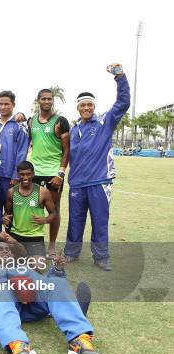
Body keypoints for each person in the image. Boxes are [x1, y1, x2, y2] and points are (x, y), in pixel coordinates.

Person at [0, 239, 101, 354]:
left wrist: (57, 269)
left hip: (35, 307)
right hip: (8, 307)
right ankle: (18, 344)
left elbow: (46, 285)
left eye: (8, 250)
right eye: (0, 249)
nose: (5, 252)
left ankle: (79, 340)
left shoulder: (23, 268)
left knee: (57, 283)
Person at [65, 64, 130, 271]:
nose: (86, 108)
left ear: (94, 106)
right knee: (75, 221)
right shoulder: (74, 130)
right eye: (82, 105)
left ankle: (101, 257)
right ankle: (71, 253)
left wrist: (119, 77)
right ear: (77, 107)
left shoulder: (105, 122)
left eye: (89, 105)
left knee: (100, 222)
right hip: (76, 184)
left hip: (99, 182)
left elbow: (123, 103)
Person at [28, 88, 70, 257]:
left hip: (53, 173)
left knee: (54, 210)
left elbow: (67, 150)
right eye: (43, 99)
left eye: (49, 99)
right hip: (35, 172)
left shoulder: (60, 121)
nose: (46, 101)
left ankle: (51, 246)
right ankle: (35, 245)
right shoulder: (31, 122)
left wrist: (60, 173)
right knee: (34, 208)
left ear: (53, 101)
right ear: (38, 100)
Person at [0, 91, 29, 211]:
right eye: (0, 104)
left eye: (6, 104)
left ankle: (9, 231)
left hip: (9, 177)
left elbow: (22, 153)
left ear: (13, 105)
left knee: (11, 212)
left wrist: (16, 175)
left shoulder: (19, 126)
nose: (3, 107)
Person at [3, 161, 57, 265]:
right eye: (22, 174)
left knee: (38, 266)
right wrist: (4, 218)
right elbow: (7, 213)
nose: (25, 177)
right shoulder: (11, 192)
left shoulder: (43, 192)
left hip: (35, 237)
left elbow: (54, 214)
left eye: (28, 174)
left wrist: (45, 220)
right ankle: (24, 257)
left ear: (33, 174)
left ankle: (28, 257)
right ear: (18, 175)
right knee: (7, 264)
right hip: (15, 235)